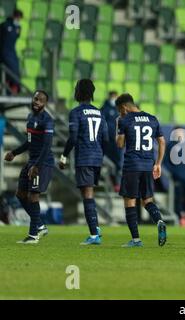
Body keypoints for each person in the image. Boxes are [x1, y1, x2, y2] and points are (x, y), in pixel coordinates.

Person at [59, 79, 108, 245]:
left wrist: (64, 156)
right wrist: (100, 154)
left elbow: (73, 137)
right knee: (89, 193)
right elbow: (106, 138)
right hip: (97, 157)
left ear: (78, 92)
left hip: (84, 157)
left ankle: (94, 234)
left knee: (87, 194)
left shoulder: (76, 113)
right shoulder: (100, 112)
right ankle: (95, 228)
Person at [115, 93, 167, 247]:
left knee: (129, 201)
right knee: (148, 200)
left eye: (120, 110)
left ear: (124, 107)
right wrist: (158, 164)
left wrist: (118, 128)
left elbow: (119, 144)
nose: (120, 113)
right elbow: (162, 142)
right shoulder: (152, 119)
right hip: (148, 165)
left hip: (132, 165)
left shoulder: (124, 120)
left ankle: (136, 240)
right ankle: (159, 220)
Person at [4, 90, 53, 243]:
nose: (36, 102)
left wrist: (37, 166)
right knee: (20, 194)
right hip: (31, 161)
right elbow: (29, 142)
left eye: (39, 100)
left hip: (42, 162)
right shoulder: (30, 118)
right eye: (35, 99)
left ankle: (33, 236)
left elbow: (47, 146)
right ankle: (39, 225)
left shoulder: (47, 120)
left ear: (44, 104)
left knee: (33, 196)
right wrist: (14, 152)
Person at [100, 91, 122, 191]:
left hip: (117, 140)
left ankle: (116, 182)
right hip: (108, 140)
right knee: (107, 160)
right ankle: (105, 180)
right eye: (113, 97)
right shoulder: (105, 109)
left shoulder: (119, 109)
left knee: (117, 162)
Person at [0, 9, 23, 94]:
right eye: (17, 18)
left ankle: (13, 90)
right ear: (14, 16)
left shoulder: (18, 28)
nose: (18, 20)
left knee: (15, 71)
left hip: (12, 52)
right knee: (8, 71)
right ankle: (7, 89)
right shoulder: (4, 25)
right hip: (3, 52)